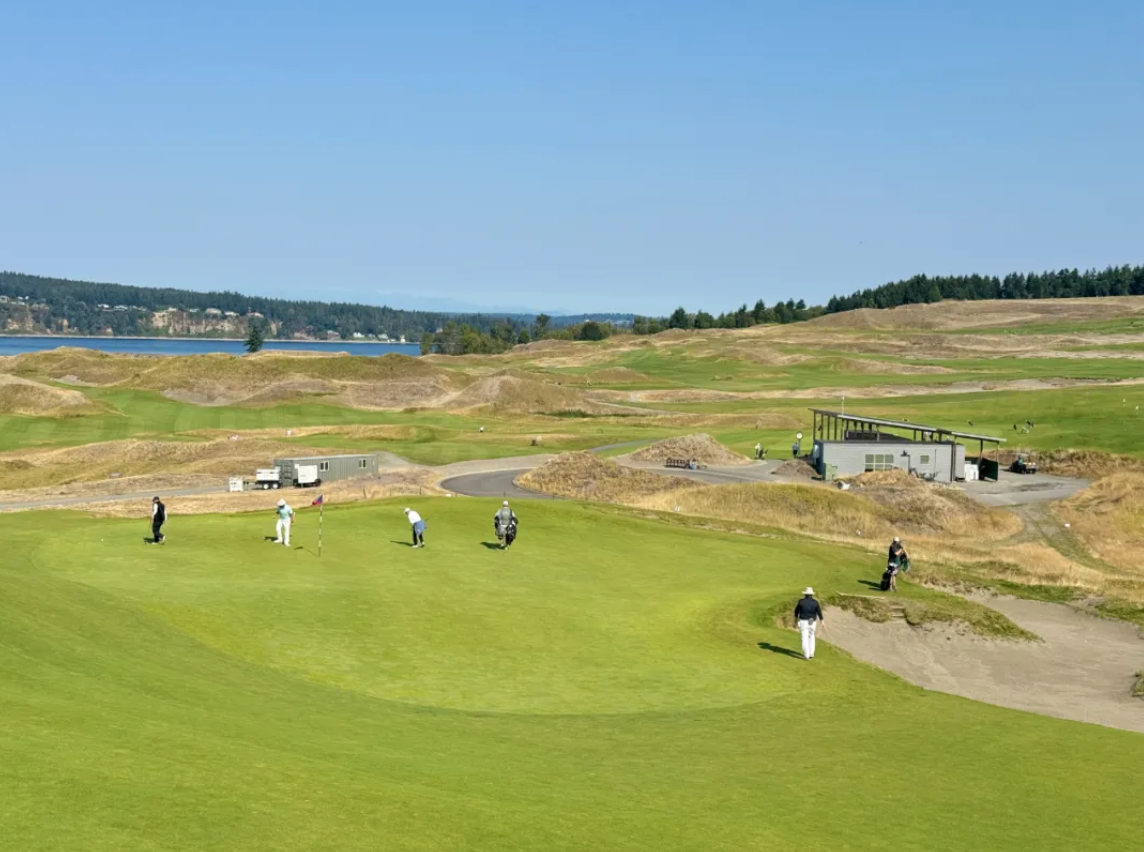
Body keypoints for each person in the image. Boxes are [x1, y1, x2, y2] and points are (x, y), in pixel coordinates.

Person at [793, 587, 825, 660]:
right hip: (812, 621)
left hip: (803, 621)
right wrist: (822, 621)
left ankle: (807, 655)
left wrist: (796, 617)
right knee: (811, 636)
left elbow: (796, 611)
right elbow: (819, 612)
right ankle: (811, 653)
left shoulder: (801, 602)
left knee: (804, 638)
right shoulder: (815, 602)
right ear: (812, 594)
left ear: (805, 594)